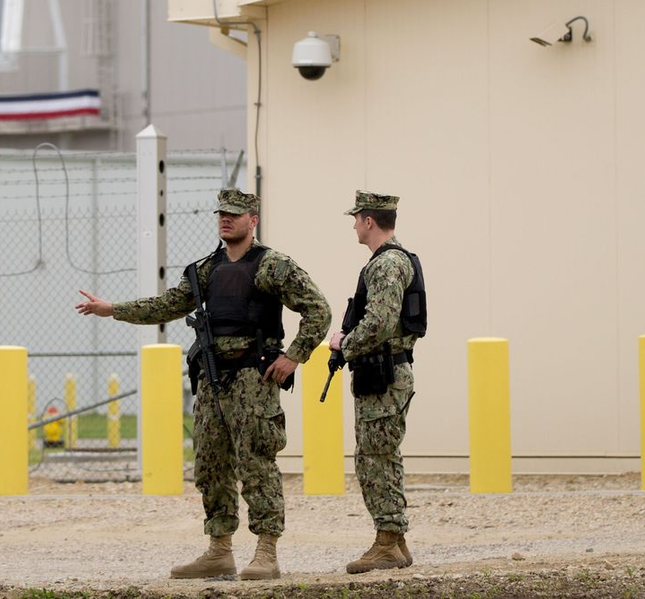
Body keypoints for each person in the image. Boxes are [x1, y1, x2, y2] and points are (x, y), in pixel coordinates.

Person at [76, 188, 330, 581]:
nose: (225, 219)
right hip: (212, 380)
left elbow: (318, 309)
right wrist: (113, 310)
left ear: (253, 219)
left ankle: (266, 551)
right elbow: (167, 305)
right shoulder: (205, 270)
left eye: (234, 214)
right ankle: (219, 550)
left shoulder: (273, 266)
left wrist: (295, 354)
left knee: (256, 462)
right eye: (221, 214)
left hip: (253, 377)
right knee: (210, 464)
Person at [328, 190, 418, 573]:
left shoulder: (385, 265)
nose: (353, 225)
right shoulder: (395, 260)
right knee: (382, 455)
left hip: (383, 375)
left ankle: (386, 541)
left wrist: (344, 344)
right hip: (385, 373)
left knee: (373, 459)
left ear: (369, 221)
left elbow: (380, 321)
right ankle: (395, 541)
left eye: (357, 218)